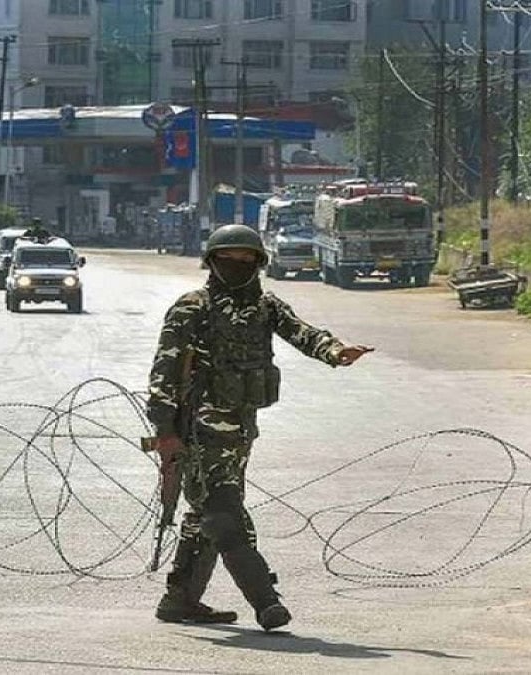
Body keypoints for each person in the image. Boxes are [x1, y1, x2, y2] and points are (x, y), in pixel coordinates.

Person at [147, 224, 374, 631]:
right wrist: (165, 431)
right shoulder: (192, 308)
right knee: (223, 516)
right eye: (228, 258)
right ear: (212, 262)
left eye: (246, 258)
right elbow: (164, 371)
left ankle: (179, 599)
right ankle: (265, 601)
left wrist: (336, 351)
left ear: (258, 262)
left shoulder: (265, 307)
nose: (238, 264)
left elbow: (302, 332)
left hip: (240, 432)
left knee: (206, 513)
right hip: (198, 431)